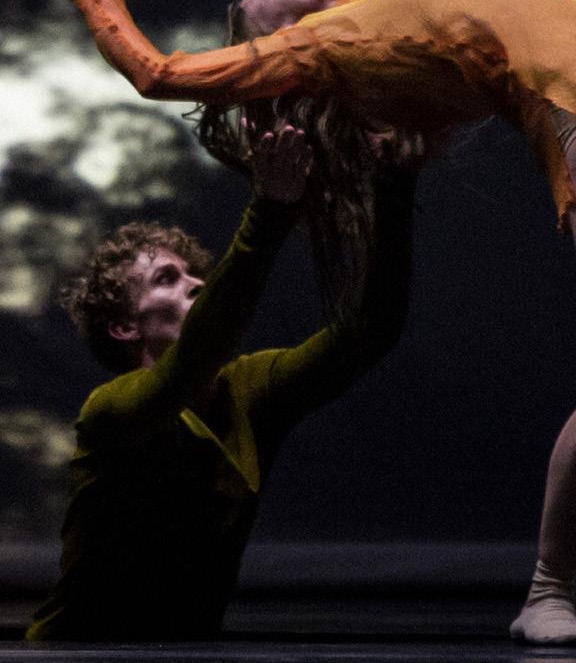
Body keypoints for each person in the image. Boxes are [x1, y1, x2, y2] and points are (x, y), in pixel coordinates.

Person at [52, 0, 576, 646]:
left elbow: (366, 15)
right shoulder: (318, 49)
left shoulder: (360, 28)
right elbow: (158, 72)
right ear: (277, 49)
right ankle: (549, 589)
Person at [25, 120, 418, 641]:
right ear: (125, 327)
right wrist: (269, 212)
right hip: (74, 656)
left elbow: (368, 331)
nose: (196, 283)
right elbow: (194, 358)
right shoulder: (110, 412)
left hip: (187, 653)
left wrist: (394, 187)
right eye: (167, 279)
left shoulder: (249, 389)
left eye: (196, 276)